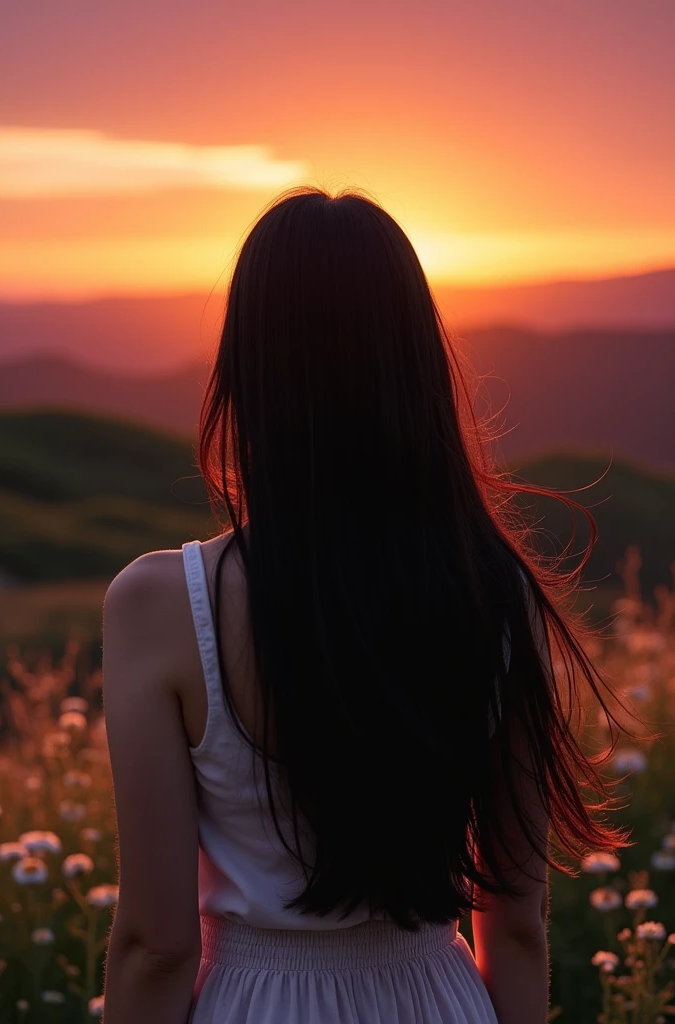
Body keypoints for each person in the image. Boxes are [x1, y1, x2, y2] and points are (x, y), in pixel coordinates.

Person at [101, 187, 627, 1024]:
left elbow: (156, 946)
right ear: (417, 366)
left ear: (245, 371)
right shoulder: (499, 594)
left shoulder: (163, 605)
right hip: (438, 995)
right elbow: (518, 930)